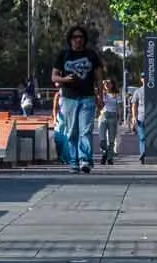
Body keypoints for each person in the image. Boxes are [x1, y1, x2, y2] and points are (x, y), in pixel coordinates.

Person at [52, 26, 104, 173]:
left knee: (86, 130)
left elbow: (99, 78)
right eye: (75, 37)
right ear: (70, 39)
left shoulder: (91, 55)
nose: (78, 39)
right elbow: (54, 77)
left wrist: (100, 97)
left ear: (84, 39)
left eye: (81, 37)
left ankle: (85, 161)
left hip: (87, 97)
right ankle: (73, 162)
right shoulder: (64, 55)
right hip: (69, 98)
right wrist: (64, 79)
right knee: (71, 131)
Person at [96, 78, 122, 165]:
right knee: (102, 139)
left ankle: (110, 158)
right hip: (103, 116)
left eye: (109, 83)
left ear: (113, 85)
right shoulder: (101, 94)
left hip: (113, 117)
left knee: (111, 140)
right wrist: (101, 94)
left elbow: (119, 107)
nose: (107, 85)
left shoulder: (117, 94)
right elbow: (98, 105)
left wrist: (120, 117)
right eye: (105, 83)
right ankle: (104, 153)